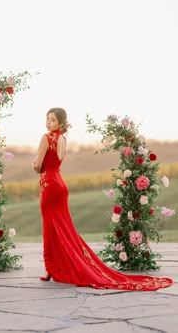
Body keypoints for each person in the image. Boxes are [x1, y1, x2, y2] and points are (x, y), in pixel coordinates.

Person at [32, 107, 173, 291]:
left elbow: (38, 166)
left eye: (52, 120)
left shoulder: (46, 138)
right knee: (64, 229)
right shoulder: (63, 140)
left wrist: (33, 164)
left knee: (51, 229)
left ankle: (53, 267)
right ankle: (57, 266)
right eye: (47, 119)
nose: (48, 122)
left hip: (49, 185)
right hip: (60, 185)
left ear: (60, 123)